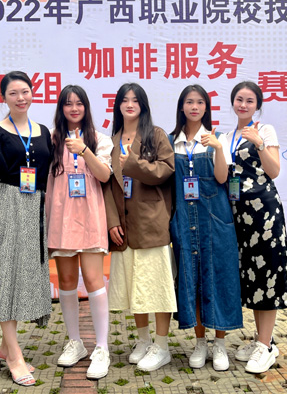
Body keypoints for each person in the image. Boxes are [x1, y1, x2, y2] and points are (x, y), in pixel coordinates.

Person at [0, 71, 53, 387]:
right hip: (9, 204)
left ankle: (6, 348)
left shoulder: (43, 131)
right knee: (7, 274)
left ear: (32, 93)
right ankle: (15, 356)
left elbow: (48, 170)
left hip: (36, 207)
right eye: (13, 93)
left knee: (24, 275)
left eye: (25, 91)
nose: (21, 98)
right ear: (4, 98)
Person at [103, 82, 177, 372]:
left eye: (135, 100)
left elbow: (165, 171)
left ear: (143, 105)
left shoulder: (156, 135)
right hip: (124, 224)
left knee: (156, 286)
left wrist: (133, 163)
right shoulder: (112, 140)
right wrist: (111, 221)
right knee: (136, 286)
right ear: (118, 105)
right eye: (125, 100)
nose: (130, 104)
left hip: (151, 222)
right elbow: (107, 185)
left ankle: (162, 346)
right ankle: (144, 341)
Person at [168, 84, 242, 372]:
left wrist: (219, 149)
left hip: (215, 220)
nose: (195, 107)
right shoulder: (172, 141)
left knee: (219, 278)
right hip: (185, 221)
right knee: (192, 279)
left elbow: (223, 178)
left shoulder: (217, 139)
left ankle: (220, 343)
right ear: (181, 106)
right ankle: (200, 342)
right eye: (189, 102)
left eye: (200, 102)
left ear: (206, 108)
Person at [45, 85, 113, 379]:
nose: (74, 109)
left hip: (90, 217)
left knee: (95, 280)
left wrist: (84, 150)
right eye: (68, 104)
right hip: (61, 217)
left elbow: (105, 175)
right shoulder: (50, 139)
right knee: (67, 281)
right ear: (61, 109)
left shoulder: (100, 139)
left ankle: (102, 347)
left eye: (79, 103)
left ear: (86, 107)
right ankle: (75, 342)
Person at [227, 81, 287, 373]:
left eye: (249, 100)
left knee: (267, 276)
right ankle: (262, 340)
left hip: (265, 214)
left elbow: (274, 170)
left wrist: (259, 143)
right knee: (253, 277)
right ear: (233, 102)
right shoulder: (227, 136)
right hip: (240, 216)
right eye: (239, 99)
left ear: (257, 105)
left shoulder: (265, 130)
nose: (243, 105)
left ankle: (265, 347)